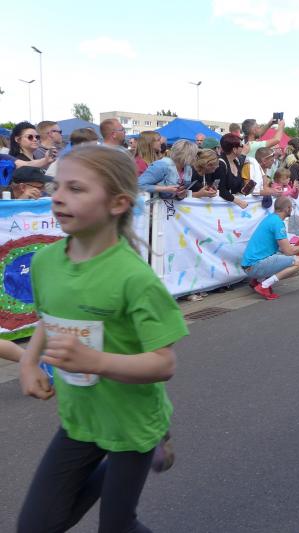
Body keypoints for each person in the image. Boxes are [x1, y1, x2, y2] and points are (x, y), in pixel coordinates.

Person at [16, 144, 188, 533]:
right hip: (80, 418)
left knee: (117, 526)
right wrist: (28, 361)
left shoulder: (135, 278)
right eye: (57, 186)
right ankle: (127, 457)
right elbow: (48, 317)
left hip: (130, 422)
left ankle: (150, 440)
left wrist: (96, 362)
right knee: (37, 526)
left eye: (76, 188)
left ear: (117, 203)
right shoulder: (45, 262)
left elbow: (164, 363)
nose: (57, 196)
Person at [241, 196, 299, 300]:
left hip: (250, 265)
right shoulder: (278, 223)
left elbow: (283, 249)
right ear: (287, 208)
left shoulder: (271, 218)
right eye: (291, 207)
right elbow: (288, 251)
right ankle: (264, 286)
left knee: (294, 264)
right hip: (255, 266)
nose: (291, 209)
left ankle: (257, 281)